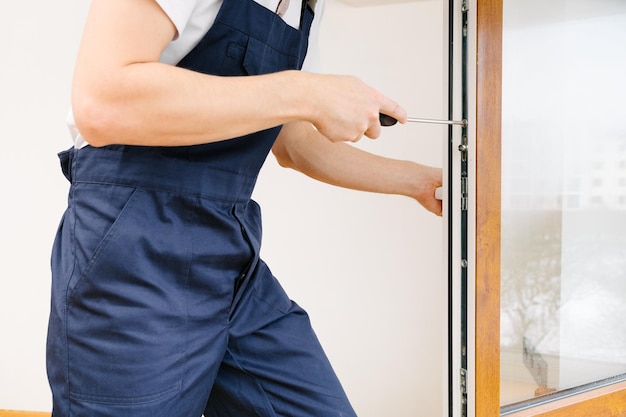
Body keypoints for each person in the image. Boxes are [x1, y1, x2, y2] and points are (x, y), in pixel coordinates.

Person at [46, 0, 443, 416]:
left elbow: (294, 142)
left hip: (230, 254)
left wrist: (421, 182)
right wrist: (304, 91)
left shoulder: (307, 8)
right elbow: (103, 99)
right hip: (130, 250)